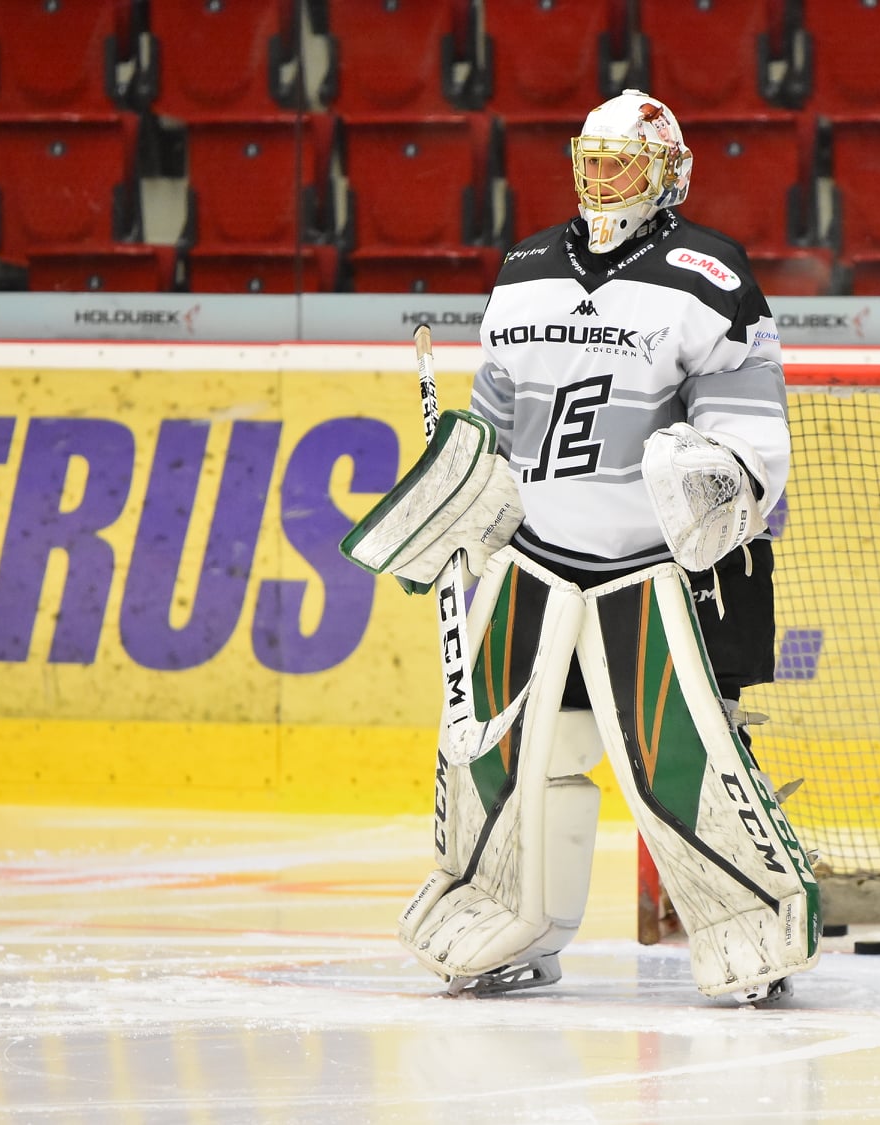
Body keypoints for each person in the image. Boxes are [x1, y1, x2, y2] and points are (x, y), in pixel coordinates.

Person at [343, 90, 820, 1003]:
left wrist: (718, 473)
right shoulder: (524, 267)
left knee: (685, 758)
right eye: (591, 162)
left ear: (666, 173)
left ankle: (752, 921)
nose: (601, 180)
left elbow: (749, 425)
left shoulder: (708, 273)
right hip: (536, 564)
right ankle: (507, 917)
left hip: (657, 572)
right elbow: (493, 417)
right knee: (513, 756)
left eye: (621, 164)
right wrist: (459, 495)